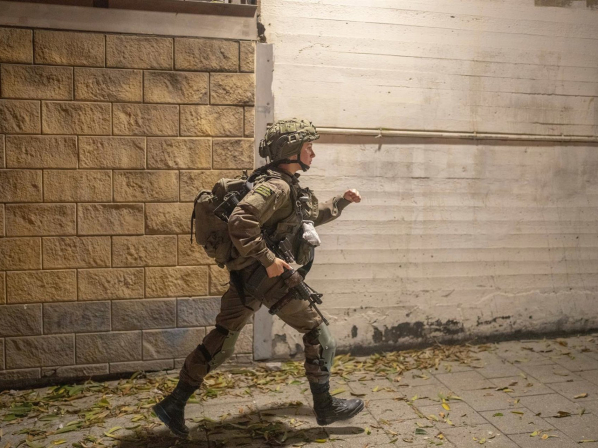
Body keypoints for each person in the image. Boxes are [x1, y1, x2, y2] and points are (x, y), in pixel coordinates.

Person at [153, 118, 363, 438]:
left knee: (223, 340)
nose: (313, 153)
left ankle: (174, 403)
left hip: (246, 277)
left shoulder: (283, 184)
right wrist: (269, 259)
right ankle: (324, 406)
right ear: (291, 150)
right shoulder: (276, 187)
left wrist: (342, 201)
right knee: (320, 336)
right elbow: (241, 220)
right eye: (308, 147)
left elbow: (309, 216)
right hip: (267, 277)